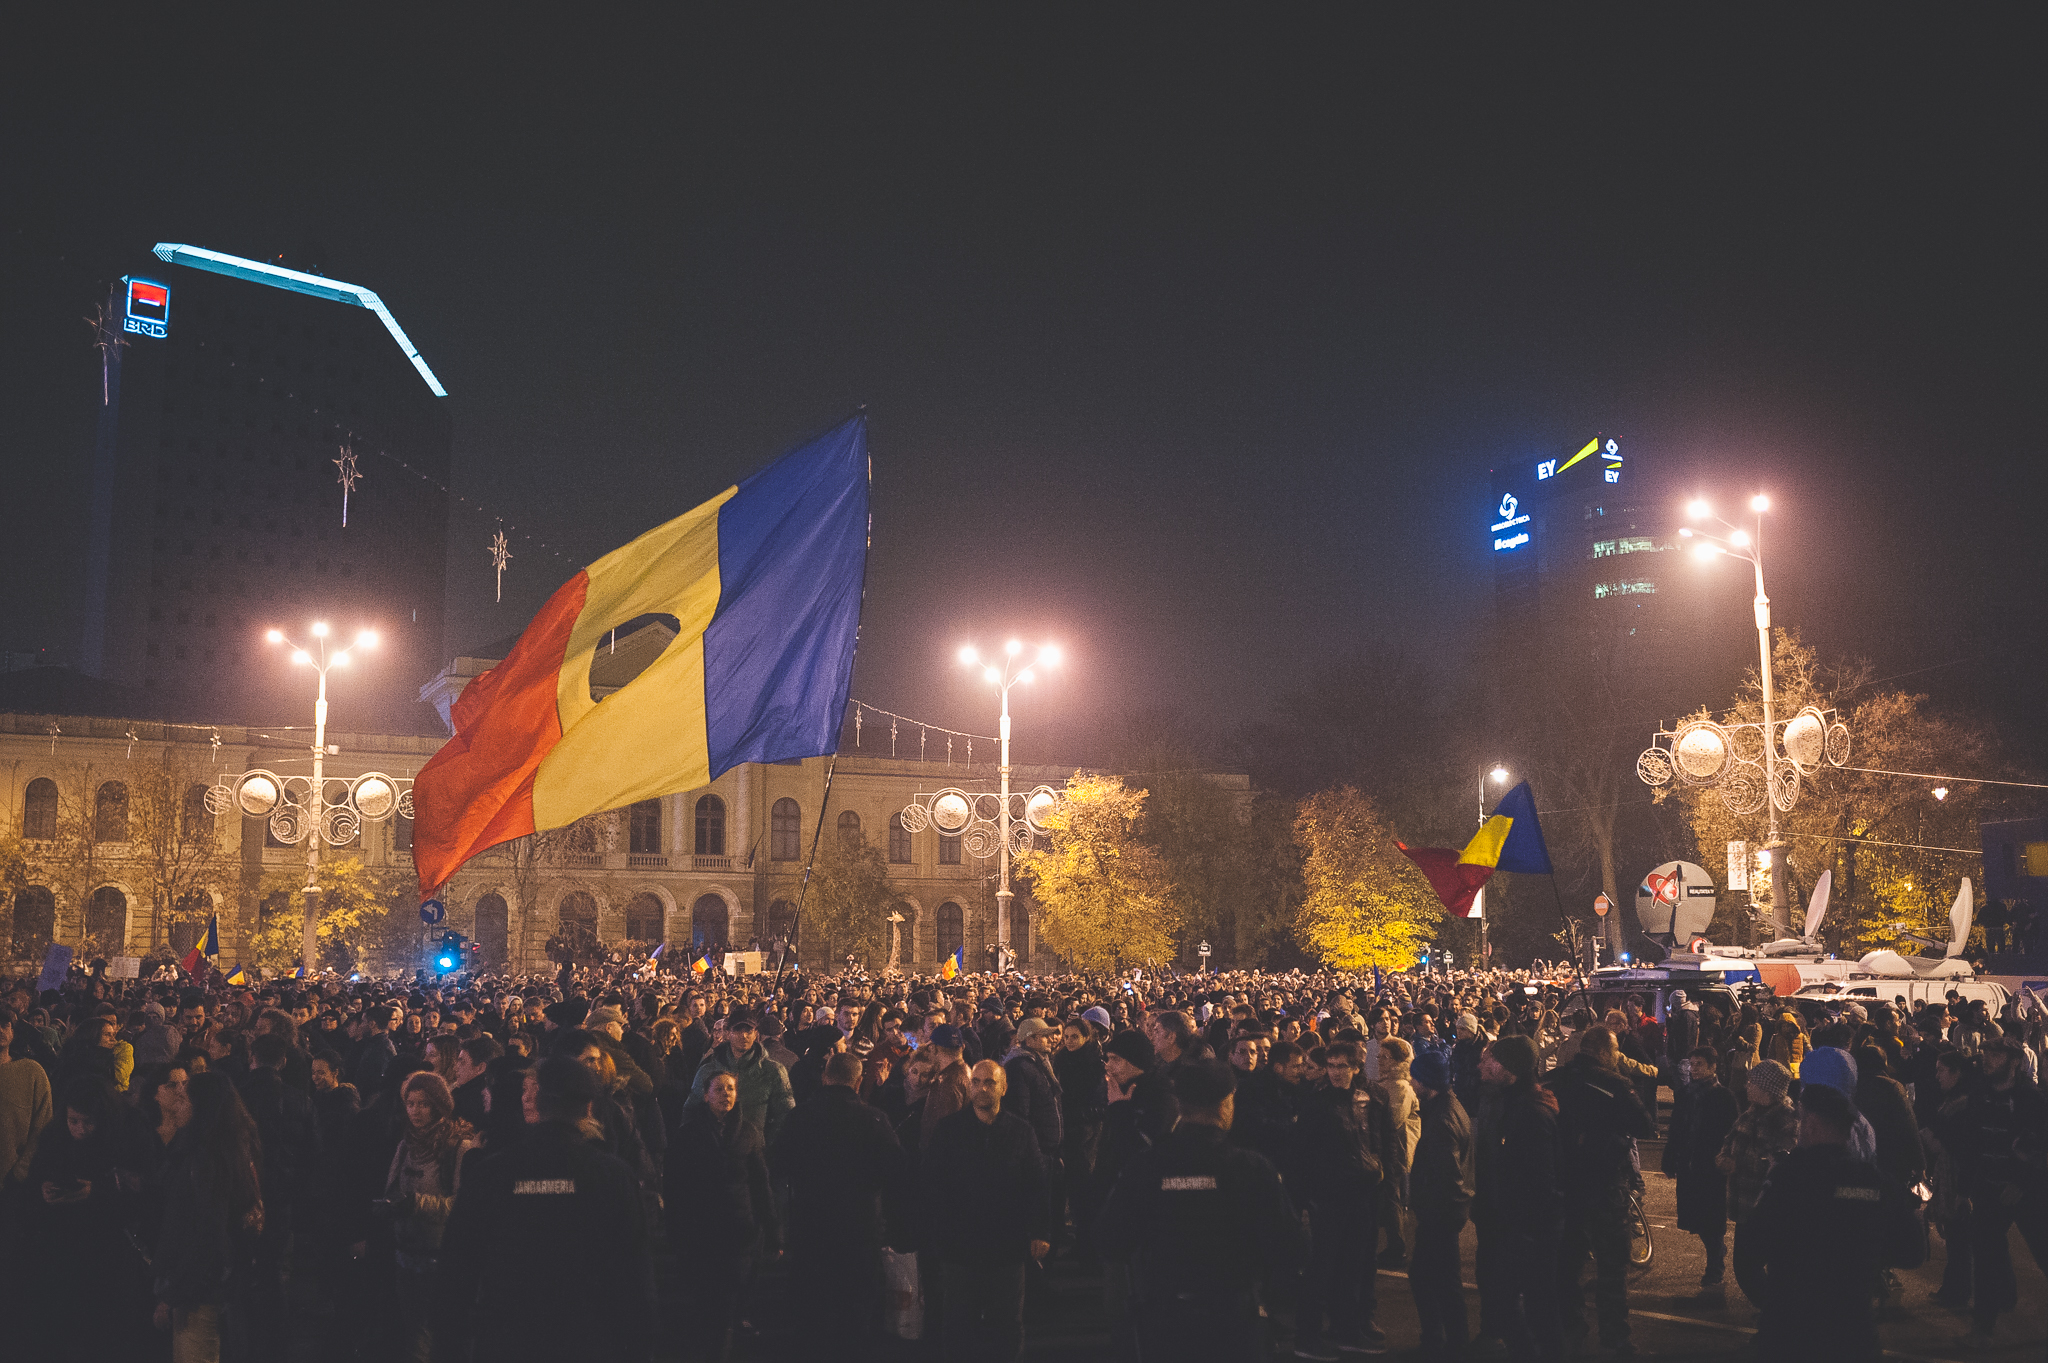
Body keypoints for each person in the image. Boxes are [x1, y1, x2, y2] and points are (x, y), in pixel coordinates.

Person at [435, 1056, 656, 1361]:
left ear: (533, 1104)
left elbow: (458, 1269)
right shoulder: (613, 1176)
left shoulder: (493, 1173)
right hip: (589, 1339)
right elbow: (634, 1273)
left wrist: (450, 1345)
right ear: (588, 1108)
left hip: (508, 1337)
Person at [1097, 1058, 1309, 1363]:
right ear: (1226, 1103)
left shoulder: (1147, 1166)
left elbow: (1109, 1239)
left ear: (1180, 1105)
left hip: (1167, 1316)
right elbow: (1291, 1248)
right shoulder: (1251, 1168)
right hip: (1234, 1316)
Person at [1745, 1083, 1923, 1361]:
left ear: (1811, 1123)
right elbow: (1913, 1252)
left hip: (1791, 1329)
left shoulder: (1788, 1178)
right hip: (1853, 1331)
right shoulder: (1874, 1181)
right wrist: (1868, 1254)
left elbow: (1752, 1248)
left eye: (1801, 1119)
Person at [770, 1050, 909, 1360]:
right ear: (858, 1082)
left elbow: (777, 1163)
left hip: (811, 1222)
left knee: (813, 1299)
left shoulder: (800, 1117)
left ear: (824, 1078)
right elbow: (896, 1170)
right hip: (859, 1225)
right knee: (855, 1302)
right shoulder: (874, 1119)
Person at [919, 1060, 1051, 1361]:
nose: (982, 1088)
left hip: (1006, 1244)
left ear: (1003, 1088)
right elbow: (932, 1183)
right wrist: (938, 1231)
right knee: (958, 1321)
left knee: (1006, 1322)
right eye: (976, 1082)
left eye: (989, 1082)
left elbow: (1037, 1184)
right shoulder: (950, 1130)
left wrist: (1040, 1230)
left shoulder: (1021, 1131)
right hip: (960, 1244)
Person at [1546, 1025, 1654, 1354]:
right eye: (1616, 1050)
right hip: (1606, 1186)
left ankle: (1571, 1326)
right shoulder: (1615, 1085)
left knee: (1568, 1262)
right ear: (1605, 1051)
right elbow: (1645, 1125)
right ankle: (1615, 1336)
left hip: (1565, 1185)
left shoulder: (1556, 1081)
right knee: (1612, 1265)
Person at [1286, 1039, 1392, 1359]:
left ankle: (1345, 1329)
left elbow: (1377, 1140)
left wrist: (1381, 1173)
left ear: (1356, 1067)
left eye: (1341, 1066)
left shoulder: (1365, 1100)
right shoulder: (1317, 1104)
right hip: (1329, 1196)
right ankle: (1307, 1336)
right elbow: (1300, 1154)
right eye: (1331, 1066)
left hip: (1360, 1193)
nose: (1335, 1072)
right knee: (1321, 1268)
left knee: (1352, 1266)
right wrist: (1305, 1200)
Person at [153, 1071, 266, 1363]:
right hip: (216, 1284)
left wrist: (173, 1293)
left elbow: (206, 1233)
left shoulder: (206, 1160)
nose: (176, 1107)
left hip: (200, 1292)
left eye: (183, 1100)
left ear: (202, 1108)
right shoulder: (231, 1148)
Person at [665, 1070, 776, 1361]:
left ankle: (725, 1338)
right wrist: (676, 1227)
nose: (726, 1094)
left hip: (740, 1226)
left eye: (730, 1088)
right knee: (709, 1291)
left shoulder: (748, 1132)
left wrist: (771, 1226)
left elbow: (760, 1182)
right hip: (703, 1225)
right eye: (719, 1089)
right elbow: (676, 1184)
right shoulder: (689, 1133)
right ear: (705, 1095)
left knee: (733, 1288)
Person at [1952, 1036, 2048, 1346]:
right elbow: (1970, 1144)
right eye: (1986, 1053)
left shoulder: (2032, 1099)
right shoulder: (1979, 1095)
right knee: (1985, 1256)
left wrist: (2022, 1182)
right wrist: (1963, 1190)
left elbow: (2041, 1146)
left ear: (2014, 1062)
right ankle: (1983, 1326)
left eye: (1995, 1055)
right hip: (1988, 1189)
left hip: (2026, 1193)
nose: (1987, 1059)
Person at [1473, 1035, 1561, 1363]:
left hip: (1522, 1228)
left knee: (1528, 1305)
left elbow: (1539, 1178)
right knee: (1512, 1301)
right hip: (1506, 1221)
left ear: (1508, 1067)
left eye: (1489, 1059)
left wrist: (1523, 1227)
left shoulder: (1529, 1111)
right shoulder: (1506, 1101)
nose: (1481, 1064)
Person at [381, 1071, 474, 1361]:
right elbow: (392, 1188)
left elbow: (462, 1206)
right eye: (410, 1104)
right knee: (411, 1330)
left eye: (423, 1104)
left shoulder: (458, 1147)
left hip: (439, 1256)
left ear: (438, 1105)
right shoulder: (406, 1145)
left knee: (430, 1333)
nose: (415, 1111)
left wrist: (418, 1204)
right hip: (405, 1252)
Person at [1407, 1042, 1475, 1358]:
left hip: (1441, 1213)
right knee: (1437, 1279)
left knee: (1435, 1280)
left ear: (1427, 1081)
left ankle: (1446, 1343)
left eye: (1415, 1078)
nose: (1411, 1083)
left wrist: (1429, 1208)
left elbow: (1446, 1174)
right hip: (1446, 1210)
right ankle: (1443, 1340)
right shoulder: (1449, 1107)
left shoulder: (1442, 1120)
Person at [1718, 1058, 1798, 1308]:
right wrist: (1723, 1156)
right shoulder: (1750, 1112)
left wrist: (1738, 1163)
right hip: (1745, 1204)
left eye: (1753, 1082)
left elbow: (1781, 1163)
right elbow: (1730, 1140)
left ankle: (1776, 1313)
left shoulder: (1785, 1119)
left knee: (1749, 1267)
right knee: (1747, 1266)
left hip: (1767, 1206)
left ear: (1768, 1089)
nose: (1747, 1085)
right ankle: (1775, 1314)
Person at [1662, 1044, 1737, 1302]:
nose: (1694, 1069)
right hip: (1688, 1164)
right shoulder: (1685, 1093)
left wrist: (1725, 1157)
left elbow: (1731, 1132)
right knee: (1694, 1215)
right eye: (1691, 1064)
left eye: (1699, 1064)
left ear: (1713, 1067)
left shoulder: (1723, 1096)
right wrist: (1670, 1159)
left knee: (1712, 1217)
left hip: (1710, 1165)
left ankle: (1715, 1265)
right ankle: (1716, 1250)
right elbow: (1676, 1128)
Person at [687, 1011, 795, 1145]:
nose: (743, 1035)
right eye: (738, 1030)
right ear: (728, 1033)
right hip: (712, 1150)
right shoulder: (708, 1070)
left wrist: (766, 1146)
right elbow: (691, 1111)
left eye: (748, 1030)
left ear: (756, 1034)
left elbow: (785, 1115)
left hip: (755, 1151)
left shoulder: (773, 1071)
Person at [0, 1006, 53, 1195]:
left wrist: (20, 1172)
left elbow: (43, 1126)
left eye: (5, 1024)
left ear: (13, 1032)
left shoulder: (31, 1072)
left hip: (12, 1185)